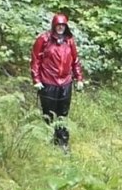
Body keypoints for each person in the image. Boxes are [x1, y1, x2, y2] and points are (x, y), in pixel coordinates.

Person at [30, 13, 85, 147]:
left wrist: (79, 78)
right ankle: (48, 139)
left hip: (65, 83)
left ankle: (62, 142)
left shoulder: (69, 41)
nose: (60, 28)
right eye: (58, 25)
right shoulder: (43, 39)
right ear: (54, 25)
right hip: (48, 82)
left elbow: (75, 60)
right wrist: (36, 79)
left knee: (63, 113)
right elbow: (35, 60)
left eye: (63, 25)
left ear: (66, 26)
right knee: (48, 112)